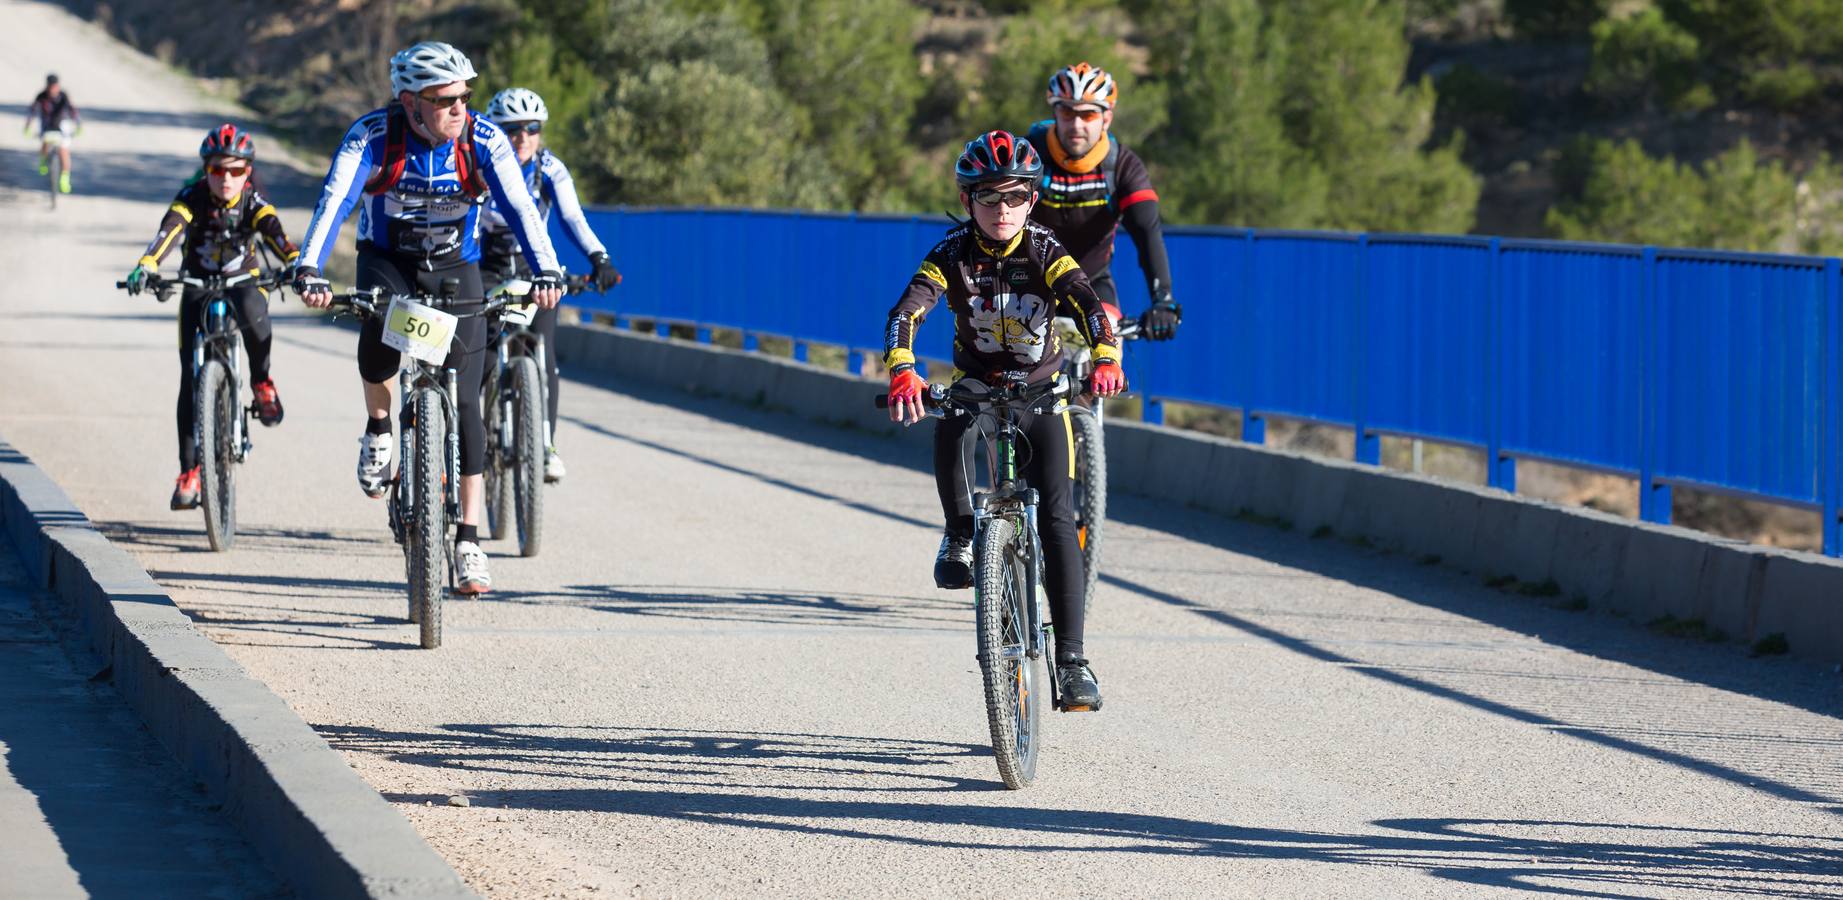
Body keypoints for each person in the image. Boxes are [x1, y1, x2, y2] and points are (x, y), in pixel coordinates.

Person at [292, 41, 564, 595]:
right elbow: (335, 199)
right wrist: (309, 267)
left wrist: (548, 271)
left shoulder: (483, 139)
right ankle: (379, 428)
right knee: (379, 334)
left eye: (465, 96)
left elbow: (521, 207)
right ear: (410, 102)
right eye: (444, 101)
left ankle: (468, 538)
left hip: (456, 267)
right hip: (388, 259)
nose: (459, 109)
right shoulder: (373, 136)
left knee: (467, 396)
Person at [883, 130, 1126, 710]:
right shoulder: (950, 254)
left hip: (1041, 392)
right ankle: (960, 533)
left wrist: (1107, 357)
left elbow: (1090, 306)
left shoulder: (1045, 251)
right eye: (988, 199)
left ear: (1032, 201)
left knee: (1059, 518)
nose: (1002, 211)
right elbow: (907, 310)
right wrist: (902, 370)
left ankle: (1072, 662)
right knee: (950, 419)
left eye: (1015, 198)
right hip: (978, 382)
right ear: (968, 201)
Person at [123, 125, 296, 510]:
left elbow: (277, 238)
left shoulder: (254, 202)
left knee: (254, 307)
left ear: (248, 172)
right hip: (198, 285)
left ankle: (262, 382)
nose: (227, 179)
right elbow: (169, 231)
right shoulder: (191, 198)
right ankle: (189, 472)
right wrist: (147, 263)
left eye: (236, 171)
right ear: (206, 171)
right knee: (189, 377)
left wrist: (297, 264)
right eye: (218, 171)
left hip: (242, 282)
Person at [479, 87, 621, 483]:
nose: (522, 137)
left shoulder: (549, 169)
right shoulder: (481, 164)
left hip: (534, 269)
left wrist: (599, 258)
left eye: (531, 128)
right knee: (484, 356)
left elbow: (573, 219)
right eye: (511, 129)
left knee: (543, 354)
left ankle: (546, 445)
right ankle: (476, 438)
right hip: (487, 266)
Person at [1024, 63, 1180, 340]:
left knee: (1109, 355)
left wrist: (1163, 300)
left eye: (1088, 114)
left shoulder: (1122, 166)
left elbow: (1148, 233)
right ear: (1055, 113)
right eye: (1067, 112)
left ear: (1106, 118)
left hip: (1091, 284)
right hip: (1028, 282)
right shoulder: (1030, 156)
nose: (1076, 124)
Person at [24, 73, 80, 194]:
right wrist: (27, 127)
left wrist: (78, 124)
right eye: (50, 87)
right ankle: (43, 160)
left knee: (64, 150)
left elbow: (72, 110)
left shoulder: (63, 96)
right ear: (47, 86)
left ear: (58, 86)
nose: (52, 89)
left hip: (62, 123)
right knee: (45, 141)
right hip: (47, 124)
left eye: (54, 86)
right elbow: (32, 111)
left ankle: (64, 178)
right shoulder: (41, 96)